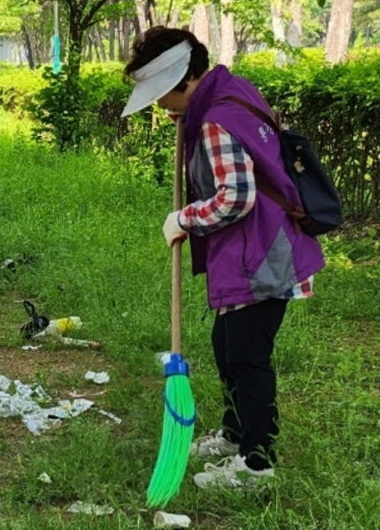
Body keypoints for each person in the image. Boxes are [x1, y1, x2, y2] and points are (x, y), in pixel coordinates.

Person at [122, 26, 325, 490]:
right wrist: (188, 119)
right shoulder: (227, 92)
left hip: (262, 254)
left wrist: (185, 219)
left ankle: (257, 464)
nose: (160, 105)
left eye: (163, 96)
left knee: (248, 357)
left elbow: (236, 198)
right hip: (253, 249)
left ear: (185, 80)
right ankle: (235, 435)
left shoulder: (215, 121)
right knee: (226, 346)